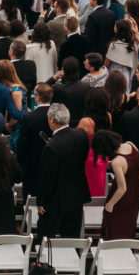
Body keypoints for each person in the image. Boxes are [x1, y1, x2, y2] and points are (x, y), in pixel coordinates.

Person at [34, 103, 90, 242]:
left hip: (55, 201)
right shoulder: (81, 135)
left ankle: (44, 263)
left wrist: (40, 201)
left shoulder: (52, 147)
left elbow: (47, 177)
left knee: (46, 240)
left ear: (52, 120)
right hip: (76, 196)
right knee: (72, 238)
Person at [92, 130, 139, 240]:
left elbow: (122, 188)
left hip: (121, 199)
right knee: (129, 227)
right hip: (136, 194)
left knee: (114, 229)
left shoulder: (117, 161)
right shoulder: (131, 145)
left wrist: (110, 204)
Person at [16, 84, 52, 198]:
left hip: (32, 163)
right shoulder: (56, 115)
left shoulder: (29, 117)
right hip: (51, 161)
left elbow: (23, 143)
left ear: (37, 97)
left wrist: (20, 161)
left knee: (31, 196)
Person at [48, 56, 91, 125]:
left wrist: (54, 78)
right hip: (80, 122)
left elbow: (42, 88)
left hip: (62, 123)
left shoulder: (58, 88)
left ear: (63, 69)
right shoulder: (86, 87)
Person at [105, 19, 139, 91]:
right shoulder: (132, 44)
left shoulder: (114, 44)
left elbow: (107, 62)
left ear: (119, 29)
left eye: (115, 27)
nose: (114, 28)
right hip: (126, 73)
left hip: (113, 72)